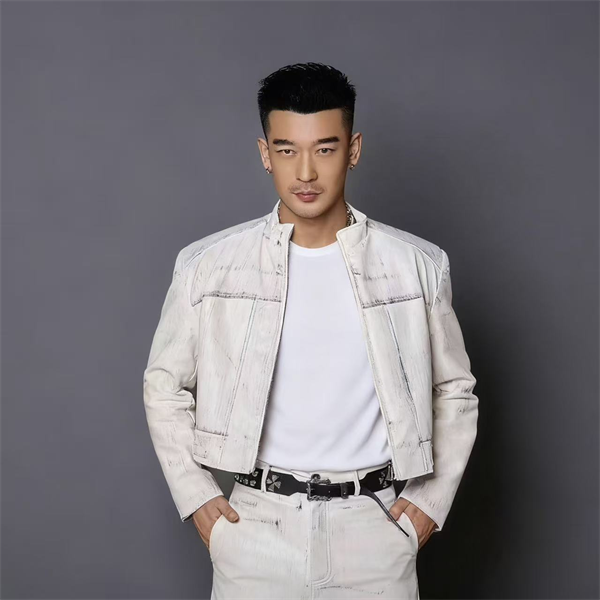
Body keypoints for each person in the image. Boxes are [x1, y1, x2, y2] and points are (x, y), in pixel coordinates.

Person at [143, 62, 479, 600]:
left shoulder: (416, 266)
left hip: (374, 530)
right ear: (264, 153)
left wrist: (428, 504)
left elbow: (454, 390)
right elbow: (164, 386)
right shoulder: (209, 266)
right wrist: (198, 497)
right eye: (286, 150)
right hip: (256, 529)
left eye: (324, 148)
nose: (305, 172)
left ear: (353, 149)